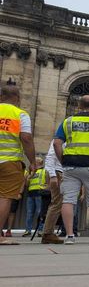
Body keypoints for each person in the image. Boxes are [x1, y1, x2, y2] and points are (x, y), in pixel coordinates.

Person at [54, 95, 89, 245]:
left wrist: (63, 160)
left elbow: (57, 143)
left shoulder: (68, 122)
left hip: (71, 165)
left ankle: (70, 236)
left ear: (78, 106)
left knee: (68, 200)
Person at [0, 82, 36, 245]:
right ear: (18, 98)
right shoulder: (20, 114)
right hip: (10, 162)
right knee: (5, 197)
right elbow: (26, 138)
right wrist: (33, 162)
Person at [39, 140, 64, 244]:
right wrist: (53, 176)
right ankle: (48, 233)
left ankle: (48, 232)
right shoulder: (59, 139)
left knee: (58, 203)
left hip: (61, 172)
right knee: (57, 203)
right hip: (58, 172)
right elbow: (50, 157)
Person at [23, 157, 47, 237]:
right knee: (29, 213)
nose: (32, 164)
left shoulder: (44, 171)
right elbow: (26, 184)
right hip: (30, 194)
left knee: (40, 212)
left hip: (39, 193)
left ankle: (40, 230)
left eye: (34, 162)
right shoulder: (31, 173)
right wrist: (31, 175)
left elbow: (47, 182)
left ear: (38, 163)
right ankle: (28, 230)